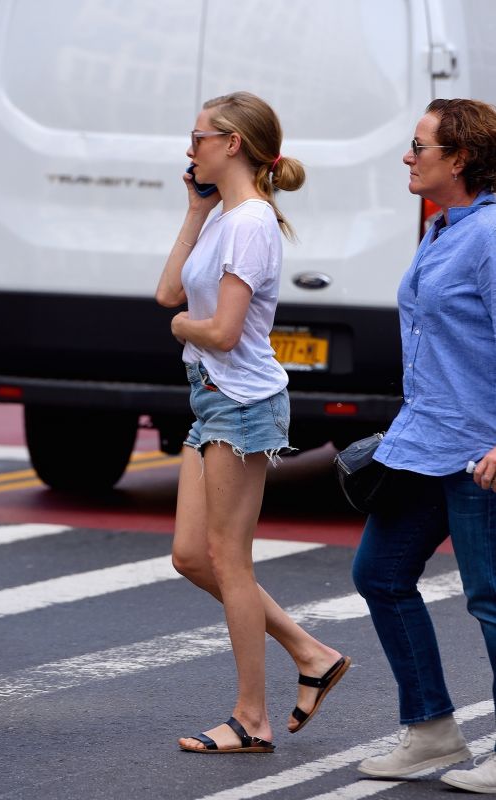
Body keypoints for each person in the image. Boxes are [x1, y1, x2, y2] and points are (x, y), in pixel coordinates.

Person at [156, 91, 350, 754]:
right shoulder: (221, 217)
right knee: (190, 555)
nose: (190, 148)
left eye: (199, 136)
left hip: (239, 402)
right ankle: (310, 653)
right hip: (212, 398)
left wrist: (184, 327)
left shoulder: (252, 224)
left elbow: (221, 328)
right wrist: (192, 212)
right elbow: (165, 293)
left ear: (231, 143)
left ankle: (251, 719)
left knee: (228, 562)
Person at [352, 98, 496, 792]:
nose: (408, 157)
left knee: (490, 598)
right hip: (425, 442)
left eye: (419, 146)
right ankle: (432, 730)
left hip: (479, 452)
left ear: (459, 157)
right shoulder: (441, 229)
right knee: (378, 574)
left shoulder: (493, 235)